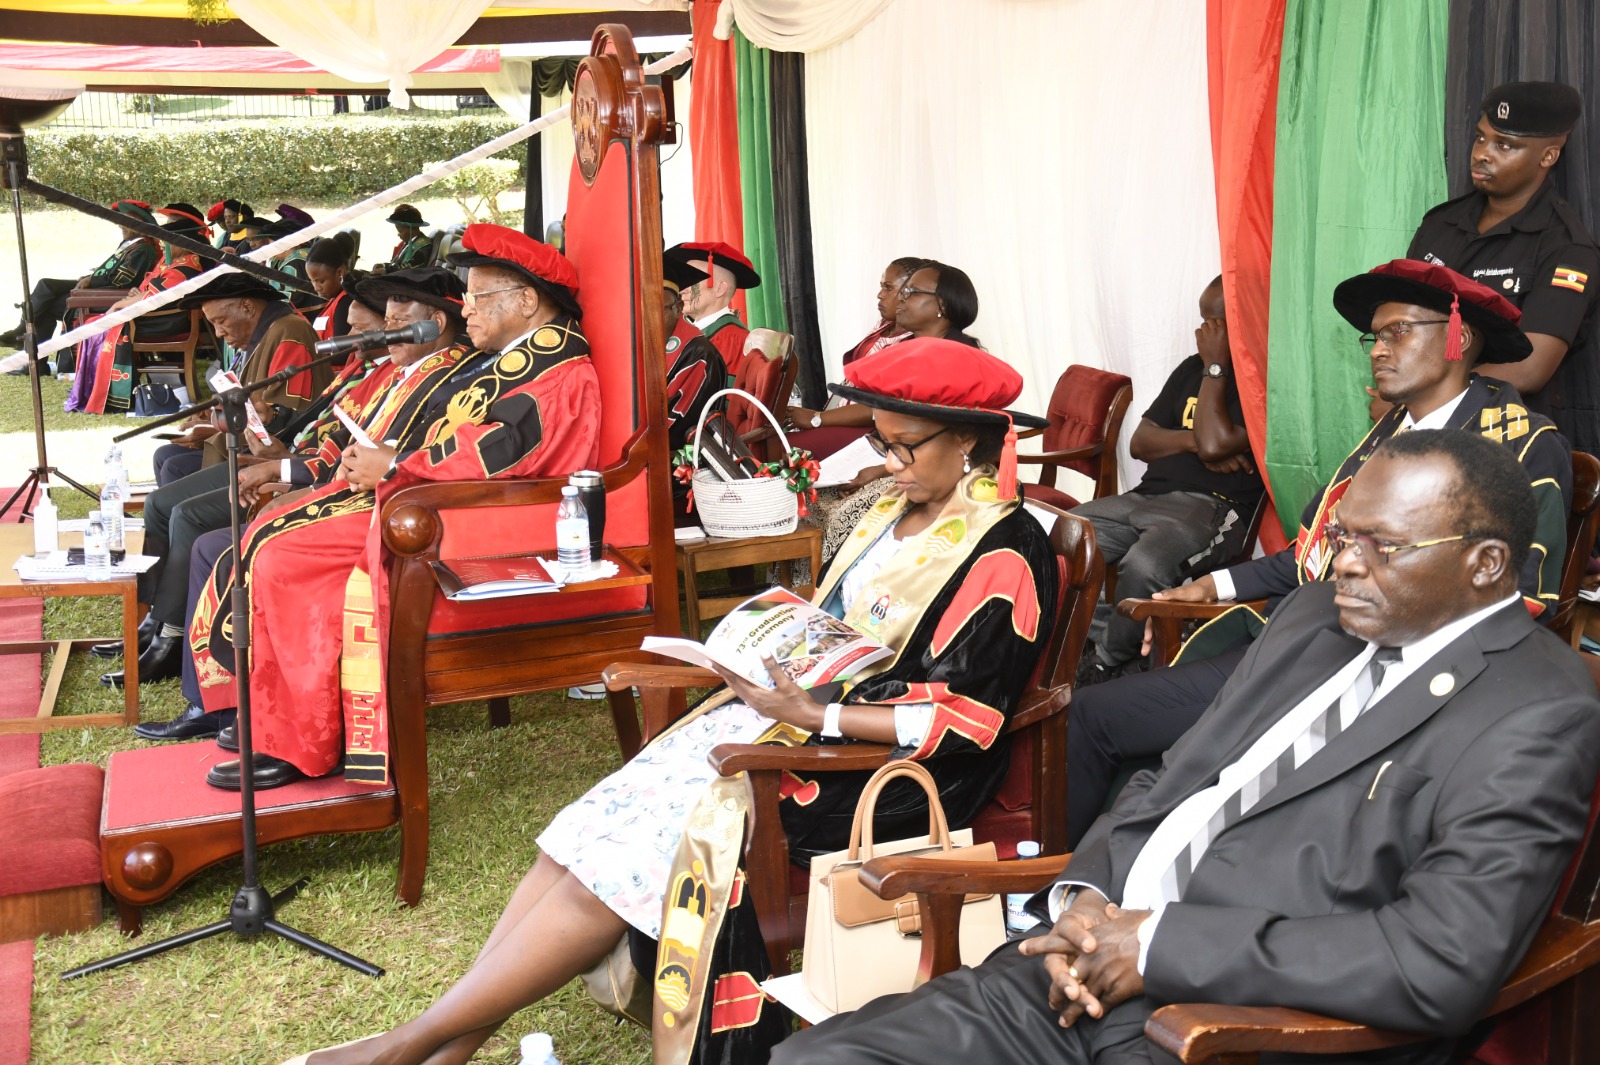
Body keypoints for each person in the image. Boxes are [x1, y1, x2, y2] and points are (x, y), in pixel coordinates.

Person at [282, 337, 1058, 1065]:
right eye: (882, 440)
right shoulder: (891, 511)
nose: (886, 462)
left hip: (879, 763)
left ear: (969, 439)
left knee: (642, 845)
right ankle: (444, 1043)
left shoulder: (1005, 546)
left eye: (905, 445)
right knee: (587, 830)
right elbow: (837, 626)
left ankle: (409, 1046)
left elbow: (968, 719)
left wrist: (811, 715)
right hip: (793, 718)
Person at [778, 427, 1600, 1065]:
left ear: (1488, 565)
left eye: (1381, 547)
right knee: (814, 1056)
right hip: (1078, 974)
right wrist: (1085, 906)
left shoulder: (1537, 710)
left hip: (1236, 1032)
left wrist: (1163, 948)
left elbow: (1436, 960)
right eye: (1343, 537)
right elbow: (1174, 782)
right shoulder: (1316, 619)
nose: (1344, 564)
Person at [1063, 258, 1571, 846]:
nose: (1378, 350)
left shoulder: (1521, 444)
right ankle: (1094, 885)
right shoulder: (1388, 435)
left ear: (1458, 337)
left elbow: (1525, 597)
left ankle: (1082, 888)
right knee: (1109, 721)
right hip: (1301, 643)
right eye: (1373, 337)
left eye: (1397, 332)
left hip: (1378, 674)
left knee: (1118, 730)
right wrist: (1214, 586)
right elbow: (1313, 556)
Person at [188, 224, 599, 791]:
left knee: (286, 557)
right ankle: (275, 716)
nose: (467, 309)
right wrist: (393, 462)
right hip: (440, 504)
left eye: (479, 297)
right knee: (270, 537)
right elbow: (464, 444)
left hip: (479, 525)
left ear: (527, 302)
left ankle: (303, 744)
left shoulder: (559, 371)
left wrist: (397, 467)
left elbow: (497, 455)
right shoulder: (518, 359)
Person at [109, 272, 457, 704]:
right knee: (172, 502)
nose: (354, 336)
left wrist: (283, 469)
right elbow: (327, 435)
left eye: (370, 328)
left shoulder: (411, 371)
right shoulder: (382, 371)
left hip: (353, 500)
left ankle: (202, 674)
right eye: (376, 326)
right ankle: (165, 631)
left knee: (204, 530)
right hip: (302, 471)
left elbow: (354, 450)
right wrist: (277, 460)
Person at [1072, 276, 1263, 683]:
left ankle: (1106, 666)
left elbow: (1215, 446)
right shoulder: (1188, 369)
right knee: (1059, 536)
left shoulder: (1263, 379)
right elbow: (1142, 443)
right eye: (1203, 320)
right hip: (1144, 496)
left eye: (1218, 322)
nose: (1205, 333)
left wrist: (1216, 368)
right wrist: (1198, 444)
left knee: (1146, 564)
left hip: (1211, 508)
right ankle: (1115, 639)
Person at [1408, 81, 1600, 453]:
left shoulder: (1566, 248)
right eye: (1480, 139)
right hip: (1417, 432)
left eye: (1504, 145)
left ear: (1548, 157)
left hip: (1502, 446)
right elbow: (1402, 321)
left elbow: (1529, 368)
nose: (1482, 154)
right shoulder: (1439, 224)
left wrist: (1421, 387)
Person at [144, 271, 328, 489]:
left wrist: (215, 432)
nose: (218, 333)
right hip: (249, 442)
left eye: (220, 321)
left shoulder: (290, 332)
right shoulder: (265, 333)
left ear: (247, 307)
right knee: (164, 455)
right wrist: (212, 419)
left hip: (281, 453)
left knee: (175, 466)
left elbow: (285, 420)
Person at [77, 202, 212, 415]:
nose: (166, 247)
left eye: (170, 242)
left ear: (184, 244)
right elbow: (149, 290)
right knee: (94, 325)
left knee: (101, 326)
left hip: (165, 321)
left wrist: (120, 304)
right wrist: (134, 296)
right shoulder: (178, 261)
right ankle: (92, 388)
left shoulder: (185, 266)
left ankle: (110, 396)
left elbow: (153, 298)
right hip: (154, 314)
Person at [783, 255, 923, 460]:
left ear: (909, 294)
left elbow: (880, 408)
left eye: (888, 287)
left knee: (783, 448)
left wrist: (817, 419)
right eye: (881, 286)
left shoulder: (912, 344)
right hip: (836, 419)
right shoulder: (884, 327)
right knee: (770, 436)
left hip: (868, 432)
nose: (879, 294)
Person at [0, 198, 160, 350]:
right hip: (97, 287)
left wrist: (91, 280)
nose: (121, 225)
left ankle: (28, 342)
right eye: (121, 221)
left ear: (140, 224)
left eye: (127, 222)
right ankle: (23, 330)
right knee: (46, 285)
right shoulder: (131, 244)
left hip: (106, 296)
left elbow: (123, 281)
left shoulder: (143, 249)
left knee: (45, 306)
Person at [667, 240, 761, 380]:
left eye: (692, 282)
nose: (683, 290)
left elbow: (724, 401)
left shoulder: (732, 341)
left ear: (720, 289)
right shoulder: (696, 334)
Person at [661, 256, 727, 451]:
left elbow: (679, 435)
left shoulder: (699, 356)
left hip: (681, 465)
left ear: (679, 308)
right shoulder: (647, 346)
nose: (648, 318)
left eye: (659, 308)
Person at [304, 235, 358, 342]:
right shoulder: (336, 299)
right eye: (312, 281)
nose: (316, 288)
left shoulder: (346, 304)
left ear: (340, 272)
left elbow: (341, 354)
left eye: (321, 281)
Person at [381, 204, 433, 272]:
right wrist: (384, 266)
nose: (398, 234)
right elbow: (397, 264)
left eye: (400, 231)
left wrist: (386, 271)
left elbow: (409, 269)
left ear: (411, 230)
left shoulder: (423, 246)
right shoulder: (408, 243)